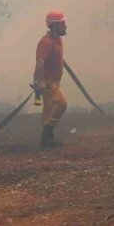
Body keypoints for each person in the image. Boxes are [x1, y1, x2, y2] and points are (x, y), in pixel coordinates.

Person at [34, 10, 68, 148]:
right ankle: (46, 135)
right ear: (54, 26)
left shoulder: (57, 40)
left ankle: (48, 140)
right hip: (47, 82)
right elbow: (40, 62)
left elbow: (54, 57)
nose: (65, 26)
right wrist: (39, 82)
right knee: (61, 104)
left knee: (48, 108)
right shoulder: (46, 42)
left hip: (54, 80)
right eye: (63, 23)